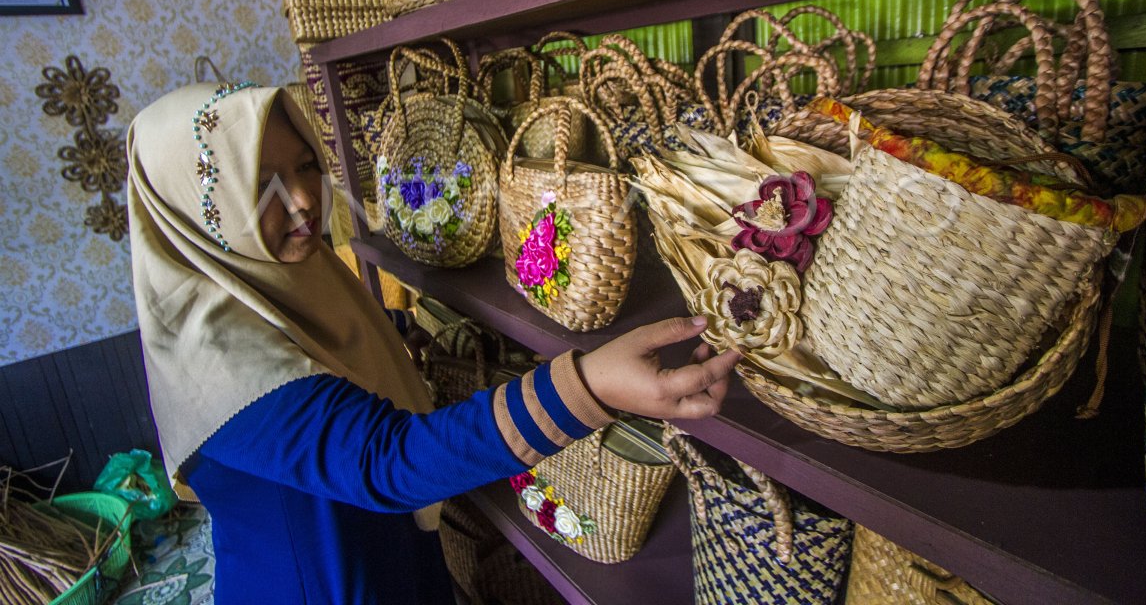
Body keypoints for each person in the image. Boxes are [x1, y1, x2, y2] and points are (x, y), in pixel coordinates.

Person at [127, 81, 741, 605]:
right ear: (194, 210)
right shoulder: (218, 353)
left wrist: (398, 342)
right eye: (260, 185)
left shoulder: (280, 275)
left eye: (307, 166)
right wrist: (590, 387)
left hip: (384, 548)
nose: (303, 201)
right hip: (320, 583)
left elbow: (332, 364)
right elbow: (387, 459)